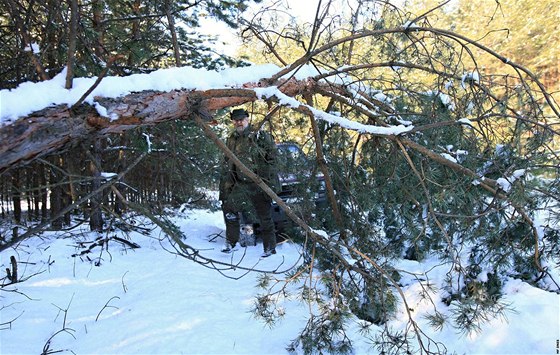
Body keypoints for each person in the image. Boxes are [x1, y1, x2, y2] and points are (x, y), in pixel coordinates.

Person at [219, 108, 279, 257]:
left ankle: (270, 248)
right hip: (240, 184)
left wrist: (265, 179)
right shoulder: (232, 138)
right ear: (233, 121)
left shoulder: (259, 135)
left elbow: (273, 158)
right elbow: (229, 160)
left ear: (247, 119)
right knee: (229, 209)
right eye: (236, 120)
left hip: (259, 183)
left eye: (242, 119)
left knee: (264, 217)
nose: (239, 122)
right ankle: (232, 243)